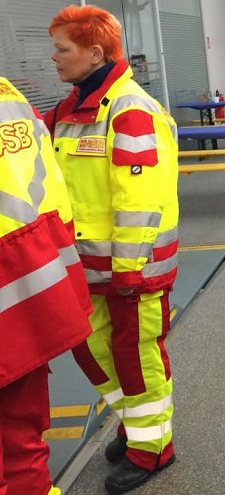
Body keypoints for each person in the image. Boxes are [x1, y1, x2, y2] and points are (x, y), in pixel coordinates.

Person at [45, 5, 179, 494]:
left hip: (132, 270)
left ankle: (153, 447)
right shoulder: (71, 111)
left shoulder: (130, 111)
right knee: (92, 349)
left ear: (95, 53)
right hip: (87, 268)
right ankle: (135, 422)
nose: (55, 58)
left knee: (136, 357)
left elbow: (139, 199)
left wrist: (128, 269)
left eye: (63, 49)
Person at [0, 77, 92, 495]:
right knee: (23, 447)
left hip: (21, 282)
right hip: (30, 287)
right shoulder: (10, 95)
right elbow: (54, 193)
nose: (54, 58)